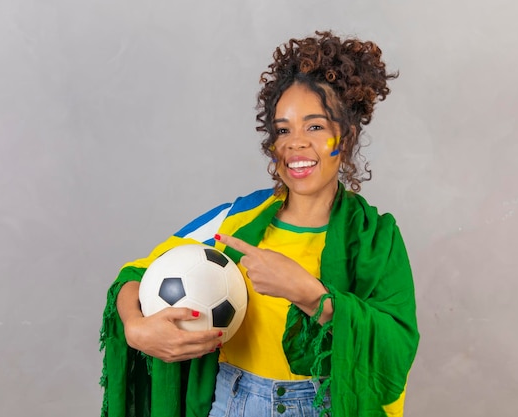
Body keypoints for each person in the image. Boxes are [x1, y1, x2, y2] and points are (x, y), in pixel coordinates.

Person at [100, 30, 419, 417]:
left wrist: (309, 294)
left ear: (346, 137)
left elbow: (396, 347)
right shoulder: (237, 218)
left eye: (315, 127)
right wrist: (135, 327)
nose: (295, 144)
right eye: (283, 130)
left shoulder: (375, 238)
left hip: (322, 406)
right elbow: (137, 274)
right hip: (230, 401)